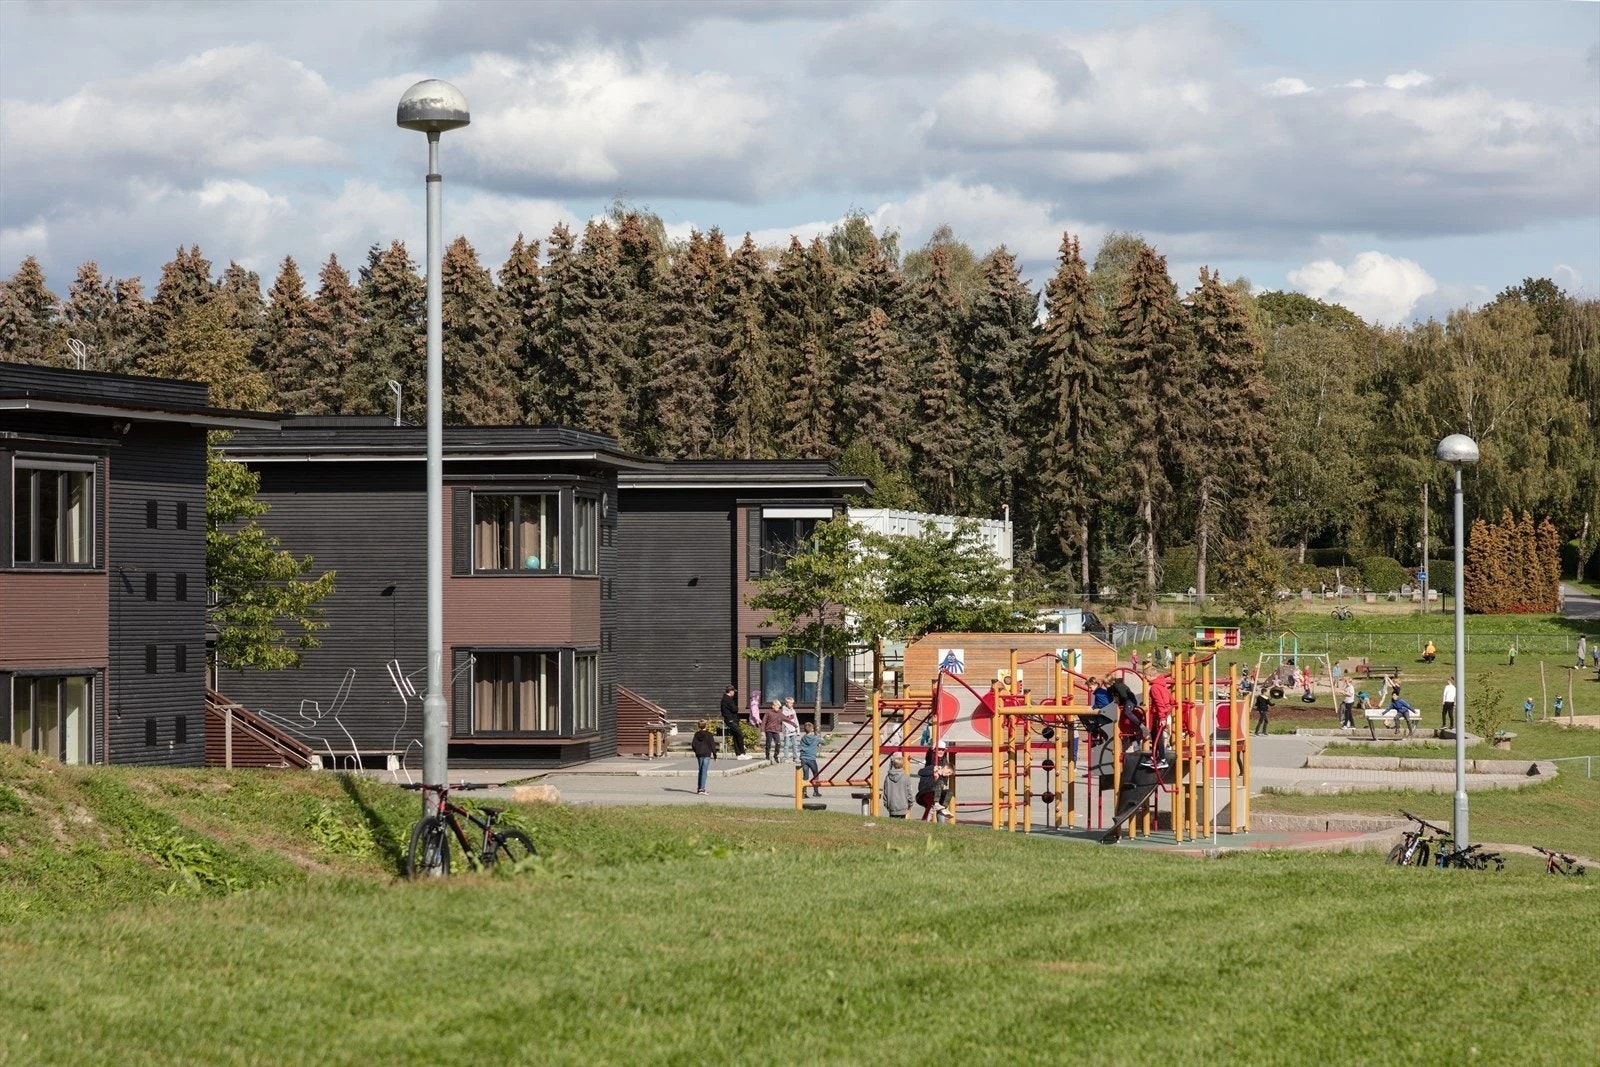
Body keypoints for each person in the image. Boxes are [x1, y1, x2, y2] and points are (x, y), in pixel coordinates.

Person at [718, 685, 747, 759]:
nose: (734, 693)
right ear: (730, 691)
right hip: (731, 720)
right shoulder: (727, 699)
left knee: (736, 736)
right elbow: (734, 709)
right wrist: (737, 708)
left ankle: (739, 754)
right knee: (739, 734)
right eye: (733, 691)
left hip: (732, 719)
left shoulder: (726, 698)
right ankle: (741, 753)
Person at [690, 719, 717, 794]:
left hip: (699, 754)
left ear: (698, 726)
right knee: (704, 771)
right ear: (706, 725)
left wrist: (696, 751)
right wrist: (715, 755)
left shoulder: (696, 734)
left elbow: (693, 744)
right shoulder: (709, 734)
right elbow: (712, 745)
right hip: (707, 753)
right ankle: (702, 789)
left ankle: (699, 788)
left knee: (701, 770)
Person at [798, 721, 822, 798]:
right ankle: (816, 791)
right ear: (812, 729)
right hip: (811, 758)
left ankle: (804, 792)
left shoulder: (803, 738)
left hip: (804, 758)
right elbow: (823, 742)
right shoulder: (815, 738)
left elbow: (801, 746)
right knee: (815, 774)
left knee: (805, 775)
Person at [915, 753, 940, 820]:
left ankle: (926, 819)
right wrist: (933, 772)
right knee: (930, 805)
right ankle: (925, 820)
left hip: (929, 791)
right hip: (925, 791)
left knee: (930, 806)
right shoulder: (930, 767)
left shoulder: (939, 771)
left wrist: (936, 778)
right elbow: (920, 772)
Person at [780, 697, 801, 763]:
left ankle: (795, 758)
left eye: (792, 703)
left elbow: (796, 720)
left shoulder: (793, 711)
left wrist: (797, 730)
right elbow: (783, 721)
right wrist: (784, 730)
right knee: (786, 745)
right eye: (790, 703)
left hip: (793, 730)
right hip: (787, 731)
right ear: (786, 703)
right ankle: (786, 758)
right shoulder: (783, 711)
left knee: (795, 745)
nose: (791, 704)